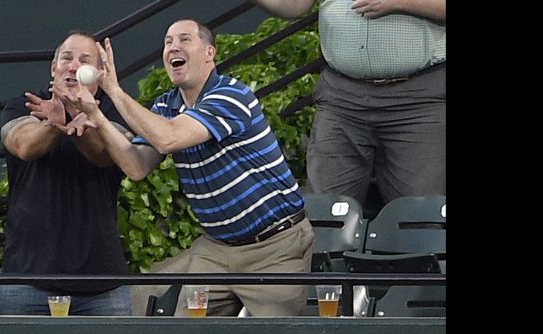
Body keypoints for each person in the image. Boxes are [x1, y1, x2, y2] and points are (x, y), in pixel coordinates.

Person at [76, 20, 313, 316]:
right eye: (167, 41)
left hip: (274, 245)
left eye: (184, 39)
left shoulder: (231, 96)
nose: (173, 47)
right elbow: (136, 166)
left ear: (209, 53)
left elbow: (168, 138)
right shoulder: (166, 106)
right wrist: (95, 115)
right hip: (216, 247)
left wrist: (113, 91)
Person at [251, 0, 446, 207]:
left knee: (418, 212)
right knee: (325, 208)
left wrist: (398, 3)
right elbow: (294, 5)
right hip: (341, 98)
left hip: (417, 100)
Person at [0, 30, 133, 316]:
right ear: (53, 67)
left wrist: (78, 117)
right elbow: (23, 145)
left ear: (99, 73)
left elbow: (105, 155)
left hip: (103, 289)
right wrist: (53, 125)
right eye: (66, 58)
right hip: (25, 283)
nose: (72, 66)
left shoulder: (115, 112)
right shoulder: (26, 104)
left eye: (84, 60)